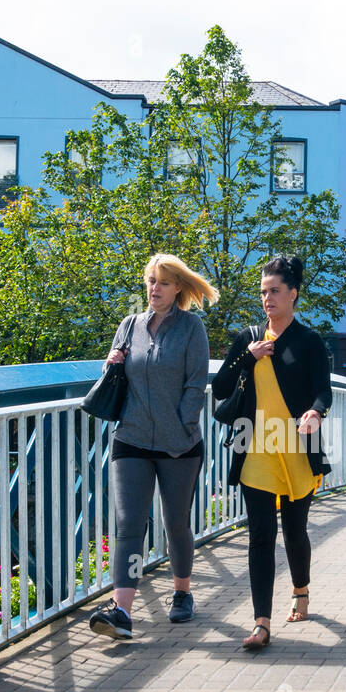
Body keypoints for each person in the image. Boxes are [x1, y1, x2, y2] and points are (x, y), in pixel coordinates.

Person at [88, 254, 218, 640]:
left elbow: (197, 383)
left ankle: (182, 593)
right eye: (149, 281)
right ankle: (122, 610)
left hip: (179, 444)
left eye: (162, 282)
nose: (154, 289)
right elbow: (116, 375)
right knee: (129, 523)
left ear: (178, 287)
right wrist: (110, 363)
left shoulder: (192, 328)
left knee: (174, 521)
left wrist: (183, 424)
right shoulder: (130, 325)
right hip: (131, 437)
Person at [212, 254, 332, 651]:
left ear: (293, 294)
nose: (267, 298)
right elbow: (220, 387)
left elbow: (323, 389)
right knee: (261, 534)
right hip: (254, 445)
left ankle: (300, 591)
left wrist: (315, 411)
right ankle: (261, 623)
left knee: (294, 530)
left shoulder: (309, 341)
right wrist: (249, 355)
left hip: (298, 445)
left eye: (275, 291)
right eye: (263, 292)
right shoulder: (248, 338)